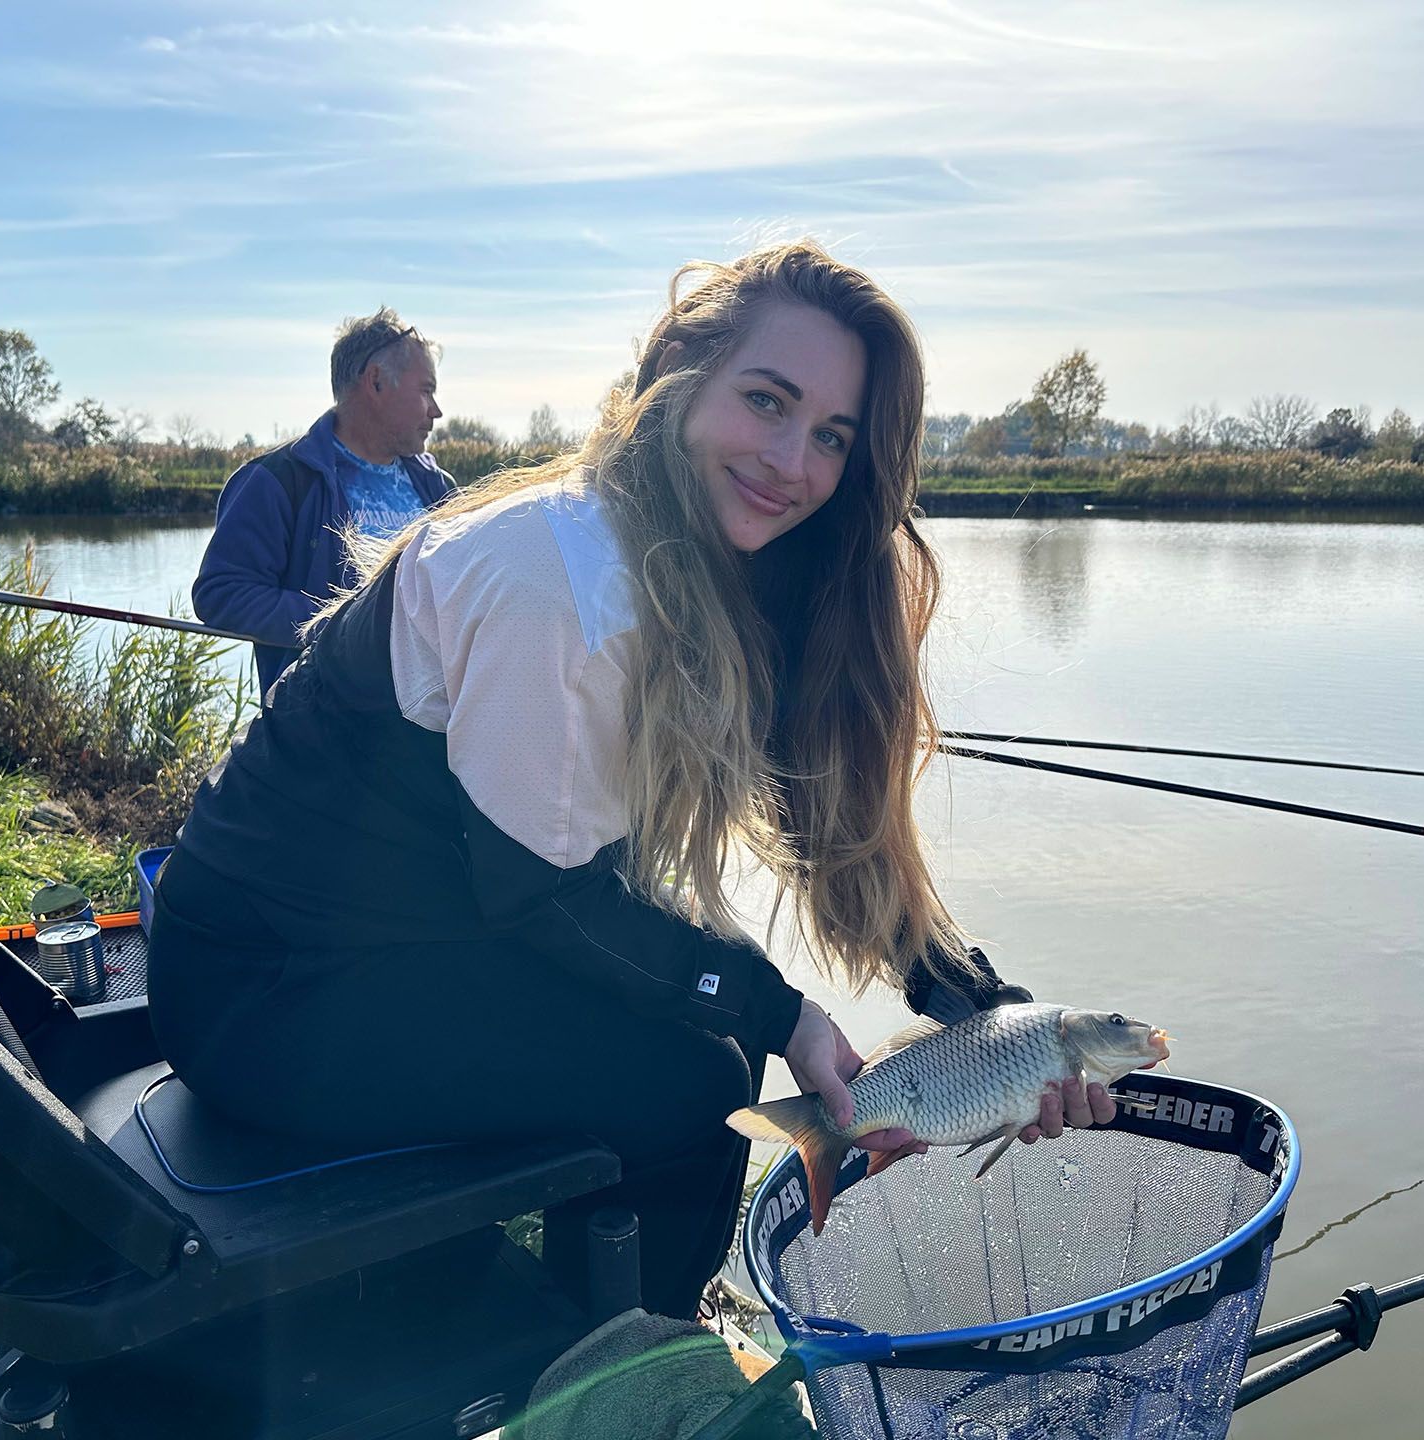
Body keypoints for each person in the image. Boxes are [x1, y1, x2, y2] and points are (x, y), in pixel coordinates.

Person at [148, 241, 1111, 1321]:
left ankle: (602, 1320)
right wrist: (775, 1007)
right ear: (680, 379)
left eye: (832, 435)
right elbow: (544, 895)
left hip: (417, 929)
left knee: (718, 1038)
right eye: (767, 401)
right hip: (264, 986)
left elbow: (834, 835)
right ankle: (620, 1368)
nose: (794, 461)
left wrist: (994, 1022)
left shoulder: (724, 561)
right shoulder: (561, 578)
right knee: (691, 1079)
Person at [192, 310, 455, 690]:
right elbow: (222, 594)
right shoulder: (278, 481)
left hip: (421, 732)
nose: (436, 410)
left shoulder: (439, 488)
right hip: (323, 734)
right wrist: (343, 622)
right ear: (377, 382)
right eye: (426, 390)